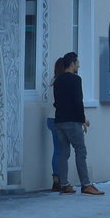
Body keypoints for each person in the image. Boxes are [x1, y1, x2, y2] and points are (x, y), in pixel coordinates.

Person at [52, 51, 104, 195]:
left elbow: (56, 103)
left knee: (63, 152)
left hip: (59, 121)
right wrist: (83, 120)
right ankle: (86, 184)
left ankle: (64, 184)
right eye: (77, 63)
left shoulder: (58, 80)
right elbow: (77, 102)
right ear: (72, 63)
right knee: (81, 151)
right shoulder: (76, 80)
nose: (79, 65)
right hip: (72, 121)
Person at [46, 57, 66, 191]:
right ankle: (60, 180)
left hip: (50, 118)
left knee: (57, 150)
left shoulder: (52, 82)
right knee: (61, 151)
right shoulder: (61, 83)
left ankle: (56, 180)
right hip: (57, 119)